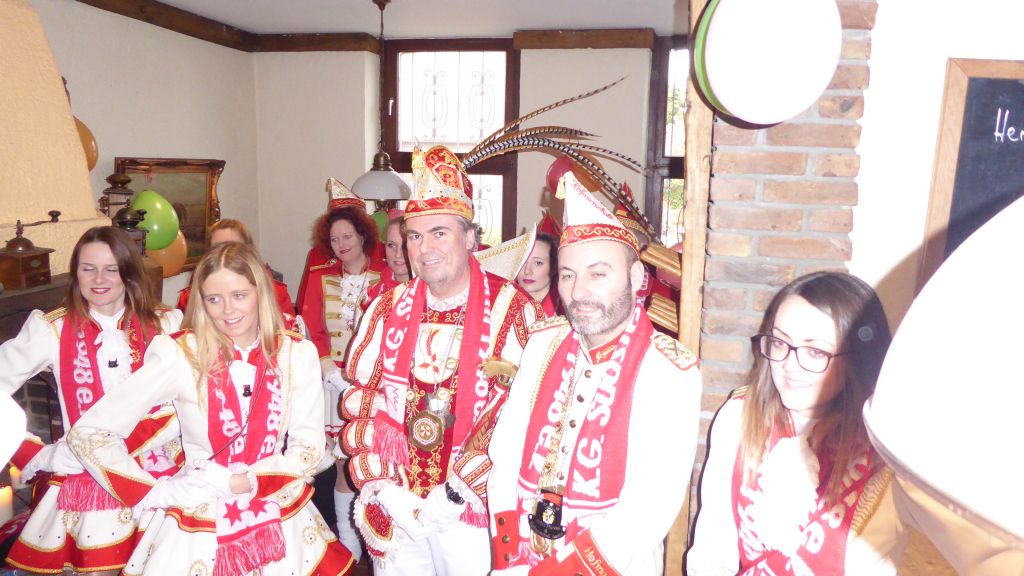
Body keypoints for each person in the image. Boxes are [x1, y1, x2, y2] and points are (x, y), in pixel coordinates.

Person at [66, 242, 354, 576]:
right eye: (213, 299)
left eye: (239, 295)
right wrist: (155, 492)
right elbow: (88, 433)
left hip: (280, 515)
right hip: (198, 521)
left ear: (260, 292)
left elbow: (308, 451)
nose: (228, 311)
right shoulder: (180, 354)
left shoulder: (296, 354)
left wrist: (242, 482)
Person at [486, 172, 703, 575]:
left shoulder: (669, 371)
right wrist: (507, 556)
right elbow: (506, 453)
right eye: (568, 275)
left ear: (636, 278)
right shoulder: (543, 343)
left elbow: (646, 510)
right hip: (521, 558)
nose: (579, 291)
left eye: (598, 274)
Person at [339, 145, 542, 575]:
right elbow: (365, 396)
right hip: (399, 501)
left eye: (439, 233)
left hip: (470, 511)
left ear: (469, 238)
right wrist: (384, 486)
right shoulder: (387, 307)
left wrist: (451, 497)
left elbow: (523, 416)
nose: (424, 248)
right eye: (414, 236)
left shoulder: (512, 310)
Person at [686, 271, 908, 575]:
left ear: (859, 358)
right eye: (779, 343)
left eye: (815, 351)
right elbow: (712, 551)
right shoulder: (739, 417)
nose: (789, 366)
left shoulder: (888, 451)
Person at [0, 226, 183, 575]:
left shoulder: (166, 323)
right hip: (87, 476)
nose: (99, 279)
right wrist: (37, 453)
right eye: (88, 268)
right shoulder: (51, 330)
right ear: (76, 273)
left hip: (157, 470)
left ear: (128, 272)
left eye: (111, 269)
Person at [297, 180, 388, 562]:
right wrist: (328, 369)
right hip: (334, 385)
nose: (341, 245)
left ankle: (378, 539)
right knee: (341, 466)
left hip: (373, 384)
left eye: (347, 236)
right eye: (334, 239)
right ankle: (349, 545)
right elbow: (312, 329)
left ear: (363, 234)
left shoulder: (386, 276)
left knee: (373, 462)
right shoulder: (321, 276)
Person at [175, 218, 294, 316]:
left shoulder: (276, 293)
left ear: (249, 251)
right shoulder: (190, 298)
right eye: (217, 248)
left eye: (232, 247)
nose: (224, 254)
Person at [515, 231, 559, 317]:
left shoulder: (564, 311)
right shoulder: (501, 305)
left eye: (538, 263)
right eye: (522, 262)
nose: (527, 271)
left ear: (554, 266)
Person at [383, 211, 411, 288]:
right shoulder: (376, 290)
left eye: (405, 246)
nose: (398, 254)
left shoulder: (430, 292)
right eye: (391, 245)